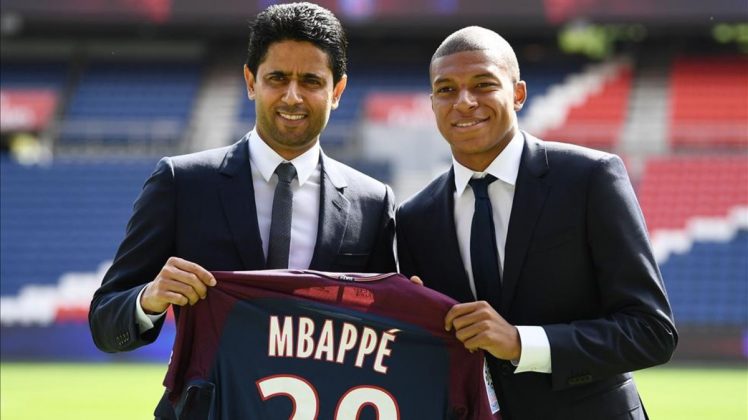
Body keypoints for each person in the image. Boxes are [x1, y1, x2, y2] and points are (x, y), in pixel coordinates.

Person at [88, 2, 396, 416]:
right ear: (251, 81)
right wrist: (150, 298)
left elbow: (387, 331)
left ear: (337, 91)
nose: (292, 96)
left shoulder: (372, 202)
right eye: (277, 78)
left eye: (311, 81)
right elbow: (105, 321)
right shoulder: (182, 183)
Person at [396, 26, 677, 419]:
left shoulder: (590, 178)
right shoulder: (414, 218)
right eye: (446, 89)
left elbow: (651, 331)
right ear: (432, 103)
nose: (464, 102)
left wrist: (521, 343)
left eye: (483, 84)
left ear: (518, 94)